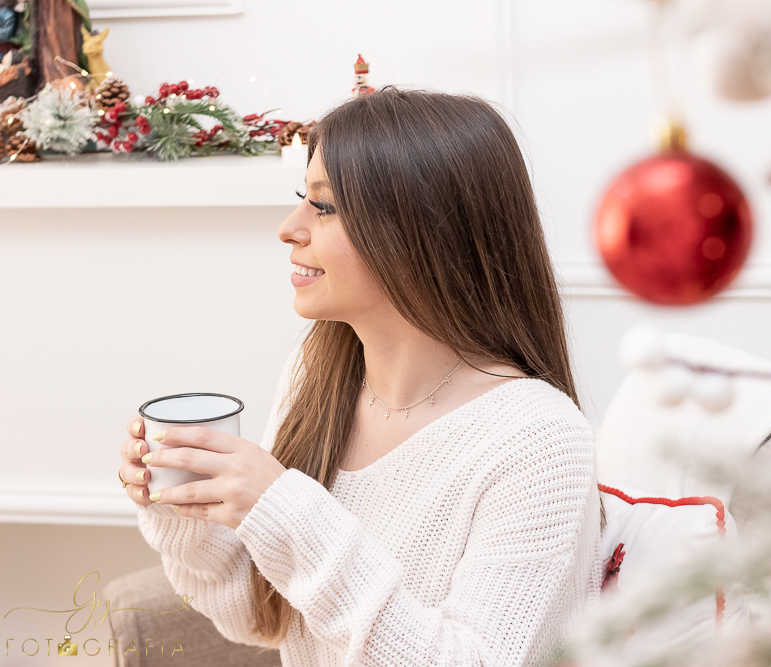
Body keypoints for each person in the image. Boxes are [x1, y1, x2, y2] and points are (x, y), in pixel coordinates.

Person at [117, 86, 603, 667]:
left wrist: (283, 509)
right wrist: (186, 507)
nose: (288, 227)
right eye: (303, 197)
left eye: (322, 207)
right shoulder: (317, 376)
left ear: (420, 235)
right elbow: (261, 619)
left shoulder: (539, 441)